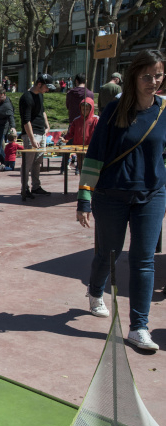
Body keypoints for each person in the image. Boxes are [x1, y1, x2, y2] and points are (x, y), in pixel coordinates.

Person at [77, 50, 166, 351]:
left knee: (144, 261)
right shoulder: (115, 110)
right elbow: (95, 155)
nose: (152, 81)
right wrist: (84, 197)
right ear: (133, 77)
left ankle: (139, 327)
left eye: (158, 75)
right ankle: (94, 289)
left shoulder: (164, 111)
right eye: (146, 76)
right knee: (110, 255)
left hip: (151, 195)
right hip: (111, 195)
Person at [19, 73, 55, 200]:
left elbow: (42, 111)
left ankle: (36, 186)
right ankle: (25, 188)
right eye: (46, 87)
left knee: (38, 161)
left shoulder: (40, 95)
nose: (48, 90)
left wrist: (47, 126)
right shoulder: (26, 98)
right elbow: (26, 121)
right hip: (31, 134)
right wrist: (32, 139)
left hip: (41, 132)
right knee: (27, 163)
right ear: (39, 84)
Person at [63, 73, 95, 172]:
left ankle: (64, 167)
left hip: (73, 121)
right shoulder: (89, 93)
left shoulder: (70, 93)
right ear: (86, 81)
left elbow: (67, 106)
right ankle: (78, 168)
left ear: (76, 81)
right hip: (84, 123)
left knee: (69, 146)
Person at [62, 97, 98, 173]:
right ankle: (82, 184)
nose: (84, 111)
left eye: (87, 109)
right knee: (81, 168)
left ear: (91, 109)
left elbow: (100, 133)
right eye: (83, 109)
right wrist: (65, 138)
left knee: (91, 169)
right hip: (79, 148)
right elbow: (71, 133)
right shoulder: (76, 120)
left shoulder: (96, 120)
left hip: (92, 148)